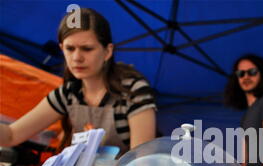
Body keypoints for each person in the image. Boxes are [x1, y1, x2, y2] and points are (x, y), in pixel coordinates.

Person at [0, 8, 156, 156]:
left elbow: (140, 159)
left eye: (87, 49)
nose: (76, 58)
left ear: (108, 51)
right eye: (70, 48)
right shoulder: (67, 94)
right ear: (61, 48)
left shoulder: (133, 90)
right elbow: (12, 135)